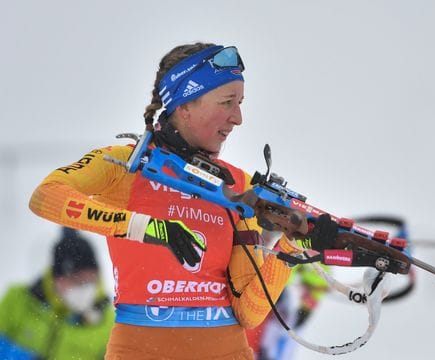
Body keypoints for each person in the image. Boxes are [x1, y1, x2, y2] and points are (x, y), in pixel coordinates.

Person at [28, 42, 334, 359]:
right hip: (139, 347)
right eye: (227, 102)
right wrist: (147, 228)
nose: (238, 117)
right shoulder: (127, 164)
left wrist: (291, 245)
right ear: (185, 105)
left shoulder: (238, 184)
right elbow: (46, 195)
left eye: (240, 103)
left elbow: (250, 312)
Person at [0, 227, 114, 359]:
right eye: (76, 281)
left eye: (90, 280)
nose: (84, 289)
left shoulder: (108, 324)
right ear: (56, 279)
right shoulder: (18, 301)